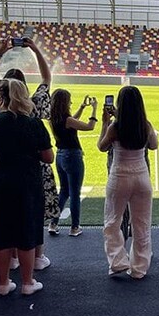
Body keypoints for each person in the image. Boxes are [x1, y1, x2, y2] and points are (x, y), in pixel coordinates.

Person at [0, 37, 55, 271]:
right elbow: (46, 79)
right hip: (33, 171)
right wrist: (36, 50)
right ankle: (37, 257)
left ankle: (12, 258)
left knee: (6, 216)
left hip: (2, 170)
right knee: (33, 215)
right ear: (23, 87)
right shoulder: (33, 108)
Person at [0, 79, 53, 296]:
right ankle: (28, 282)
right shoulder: (34, 124)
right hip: (26, 182)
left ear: (0, 98)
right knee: (26, 231)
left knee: (0, 234)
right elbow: (48, 157)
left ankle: (3, 283)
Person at [98, 86, 158, 279]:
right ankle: (139, 268)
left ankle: (118, 262)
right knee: (142, 224)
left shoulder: (115, 127)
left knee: (112, 221)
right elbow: (154, 145)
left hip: (119, 177)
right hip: (142, 177)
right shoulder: (145, 124)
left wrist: (105, 124)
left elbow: (101, 146)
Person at [48, 90, 98, 237]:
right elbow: (90, 126)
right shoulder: (67, 120)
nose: (70, 103)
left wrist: (82, 108)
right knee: (75, 193)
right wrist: (94, 108)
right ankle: (75, 227)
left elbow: (72, 122)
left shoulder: (54, 119)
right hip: (72, 156)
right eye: (69, 100)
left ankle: (53, 223)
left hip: (60, 155)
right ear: (64, 102)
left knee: (64, 191)